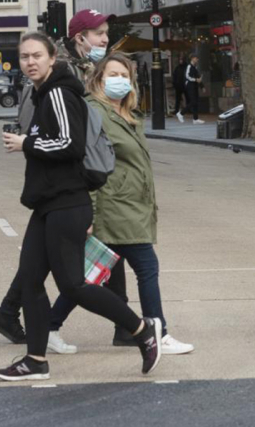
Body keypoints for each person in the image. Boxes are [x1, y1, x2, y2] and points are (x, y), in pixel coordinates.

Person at [0, 32, 161, 381]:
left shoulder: (57, 92)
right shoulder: (45, 91)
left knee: (73, 286)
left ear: (52, 58)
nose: (30, 62)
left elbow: (71, 144)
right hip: (49, 202)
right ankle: (35, 360)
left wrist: (28, 143)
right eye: (24, 57)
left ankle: (142, 329)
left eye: (37, 55)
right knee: (30, 282)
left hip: (67, 203)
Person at [45, 53, 194, 356]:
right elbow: (88, 164)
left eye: (125, 76)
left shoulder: (128, 114)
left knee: (89, 276)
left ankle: (48, 326)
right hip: (114, 207)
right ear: (99, 79)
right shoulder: (93, 112)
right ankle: (159, 333)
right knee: (146, 266)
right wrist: (92, 213)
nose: (119, 81)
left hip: (131, 206)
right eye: (112, 74)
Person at [0, 8, 115, 343]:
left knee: (41, 262)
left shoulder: (85, 69)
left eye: (105, 33)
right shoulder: (59, 75)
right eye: (99, 33)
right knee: (67, 274)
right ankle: (136, 329)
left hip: (67, 179)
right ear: (80, 37)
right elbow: (45, 127)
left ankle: (16, 319)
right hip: (64, 182)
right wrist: (33, 143)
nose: (105, 39)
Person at [181, 55, 204, 124]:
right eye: (196, 58)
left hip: (194, 86)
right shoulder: (189, 66)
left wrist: (202, 86)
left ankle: (195, 119)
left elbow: (198, 77)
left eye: (198, 58)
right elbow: (187, 76)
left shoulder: (195, 67)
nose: (197, 60)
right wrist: (195, 80)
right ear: (192, 58)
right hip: (189, 86)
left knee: (196, 102)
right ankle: (181, 113)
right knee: (193, 101)